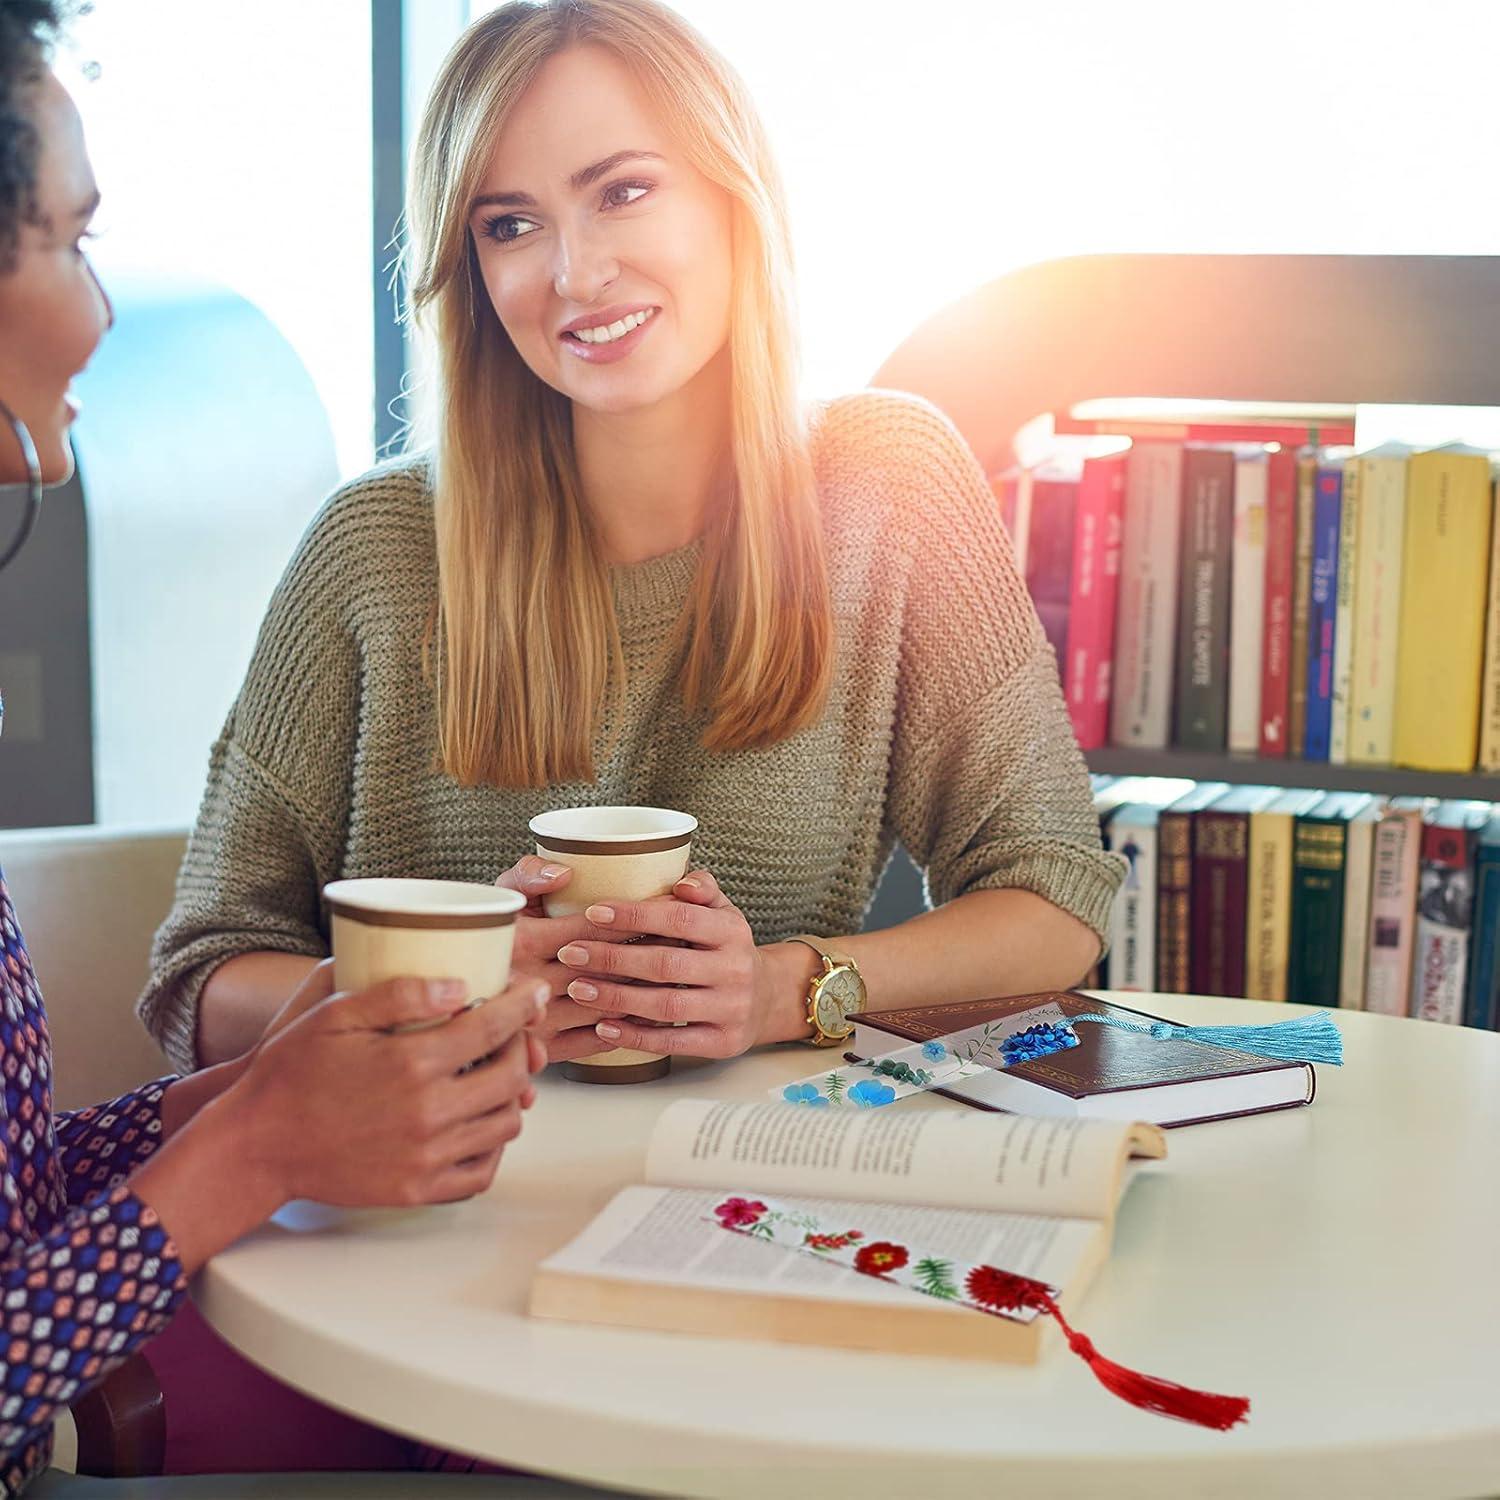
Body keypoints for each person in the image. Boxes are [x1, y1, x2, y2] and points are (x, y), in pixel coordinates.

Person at [140, 0, 1124, 1077]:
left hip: (749, 1157)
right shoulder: (373, 546)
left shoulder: (889, 483)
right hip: (440, 1163)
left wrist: (784, 990)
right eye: (509, 225)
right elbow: (202, 977)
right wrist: (447, 990)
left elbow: (1055, 897)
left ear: (732, 196)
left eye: (623, 192)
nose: (576, 273)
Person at [0, 8, 549, 1490]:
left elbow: (12, 1198)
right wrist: (247, 1157)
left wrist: (252, 1100)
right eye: (71, 243)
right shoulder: (375, 545)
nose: (101, 312)